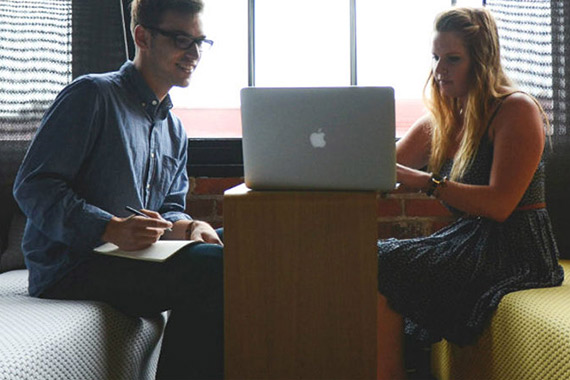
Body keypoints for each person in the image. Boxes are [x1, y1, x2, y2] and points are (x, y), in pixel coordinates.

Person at [13, 0, 224, 379]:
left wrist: (188, 228)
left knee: (242, 246)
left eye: (200, 42)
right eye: (181, 40)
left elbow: (170, 208)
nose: (194, 54)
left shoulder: (174, 130)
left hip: (132, 258)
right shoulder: (91, 96)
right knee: (214, 268)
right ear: (142, 36)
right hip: (72, 264)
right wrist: (109, 227)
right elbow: (33, 186)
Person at [376, 7, 564, 380]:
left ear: (481, 62)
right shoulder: (444, 118)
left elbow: (499, 205)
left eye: (452, 59)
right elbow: (381, 169)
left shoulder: (516, 110)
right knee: (375, 259)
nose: (439, 70)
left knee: (384, 263)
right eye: (435, 58)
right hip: (470, 240)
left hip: (517, 247)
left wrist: (427, 182)